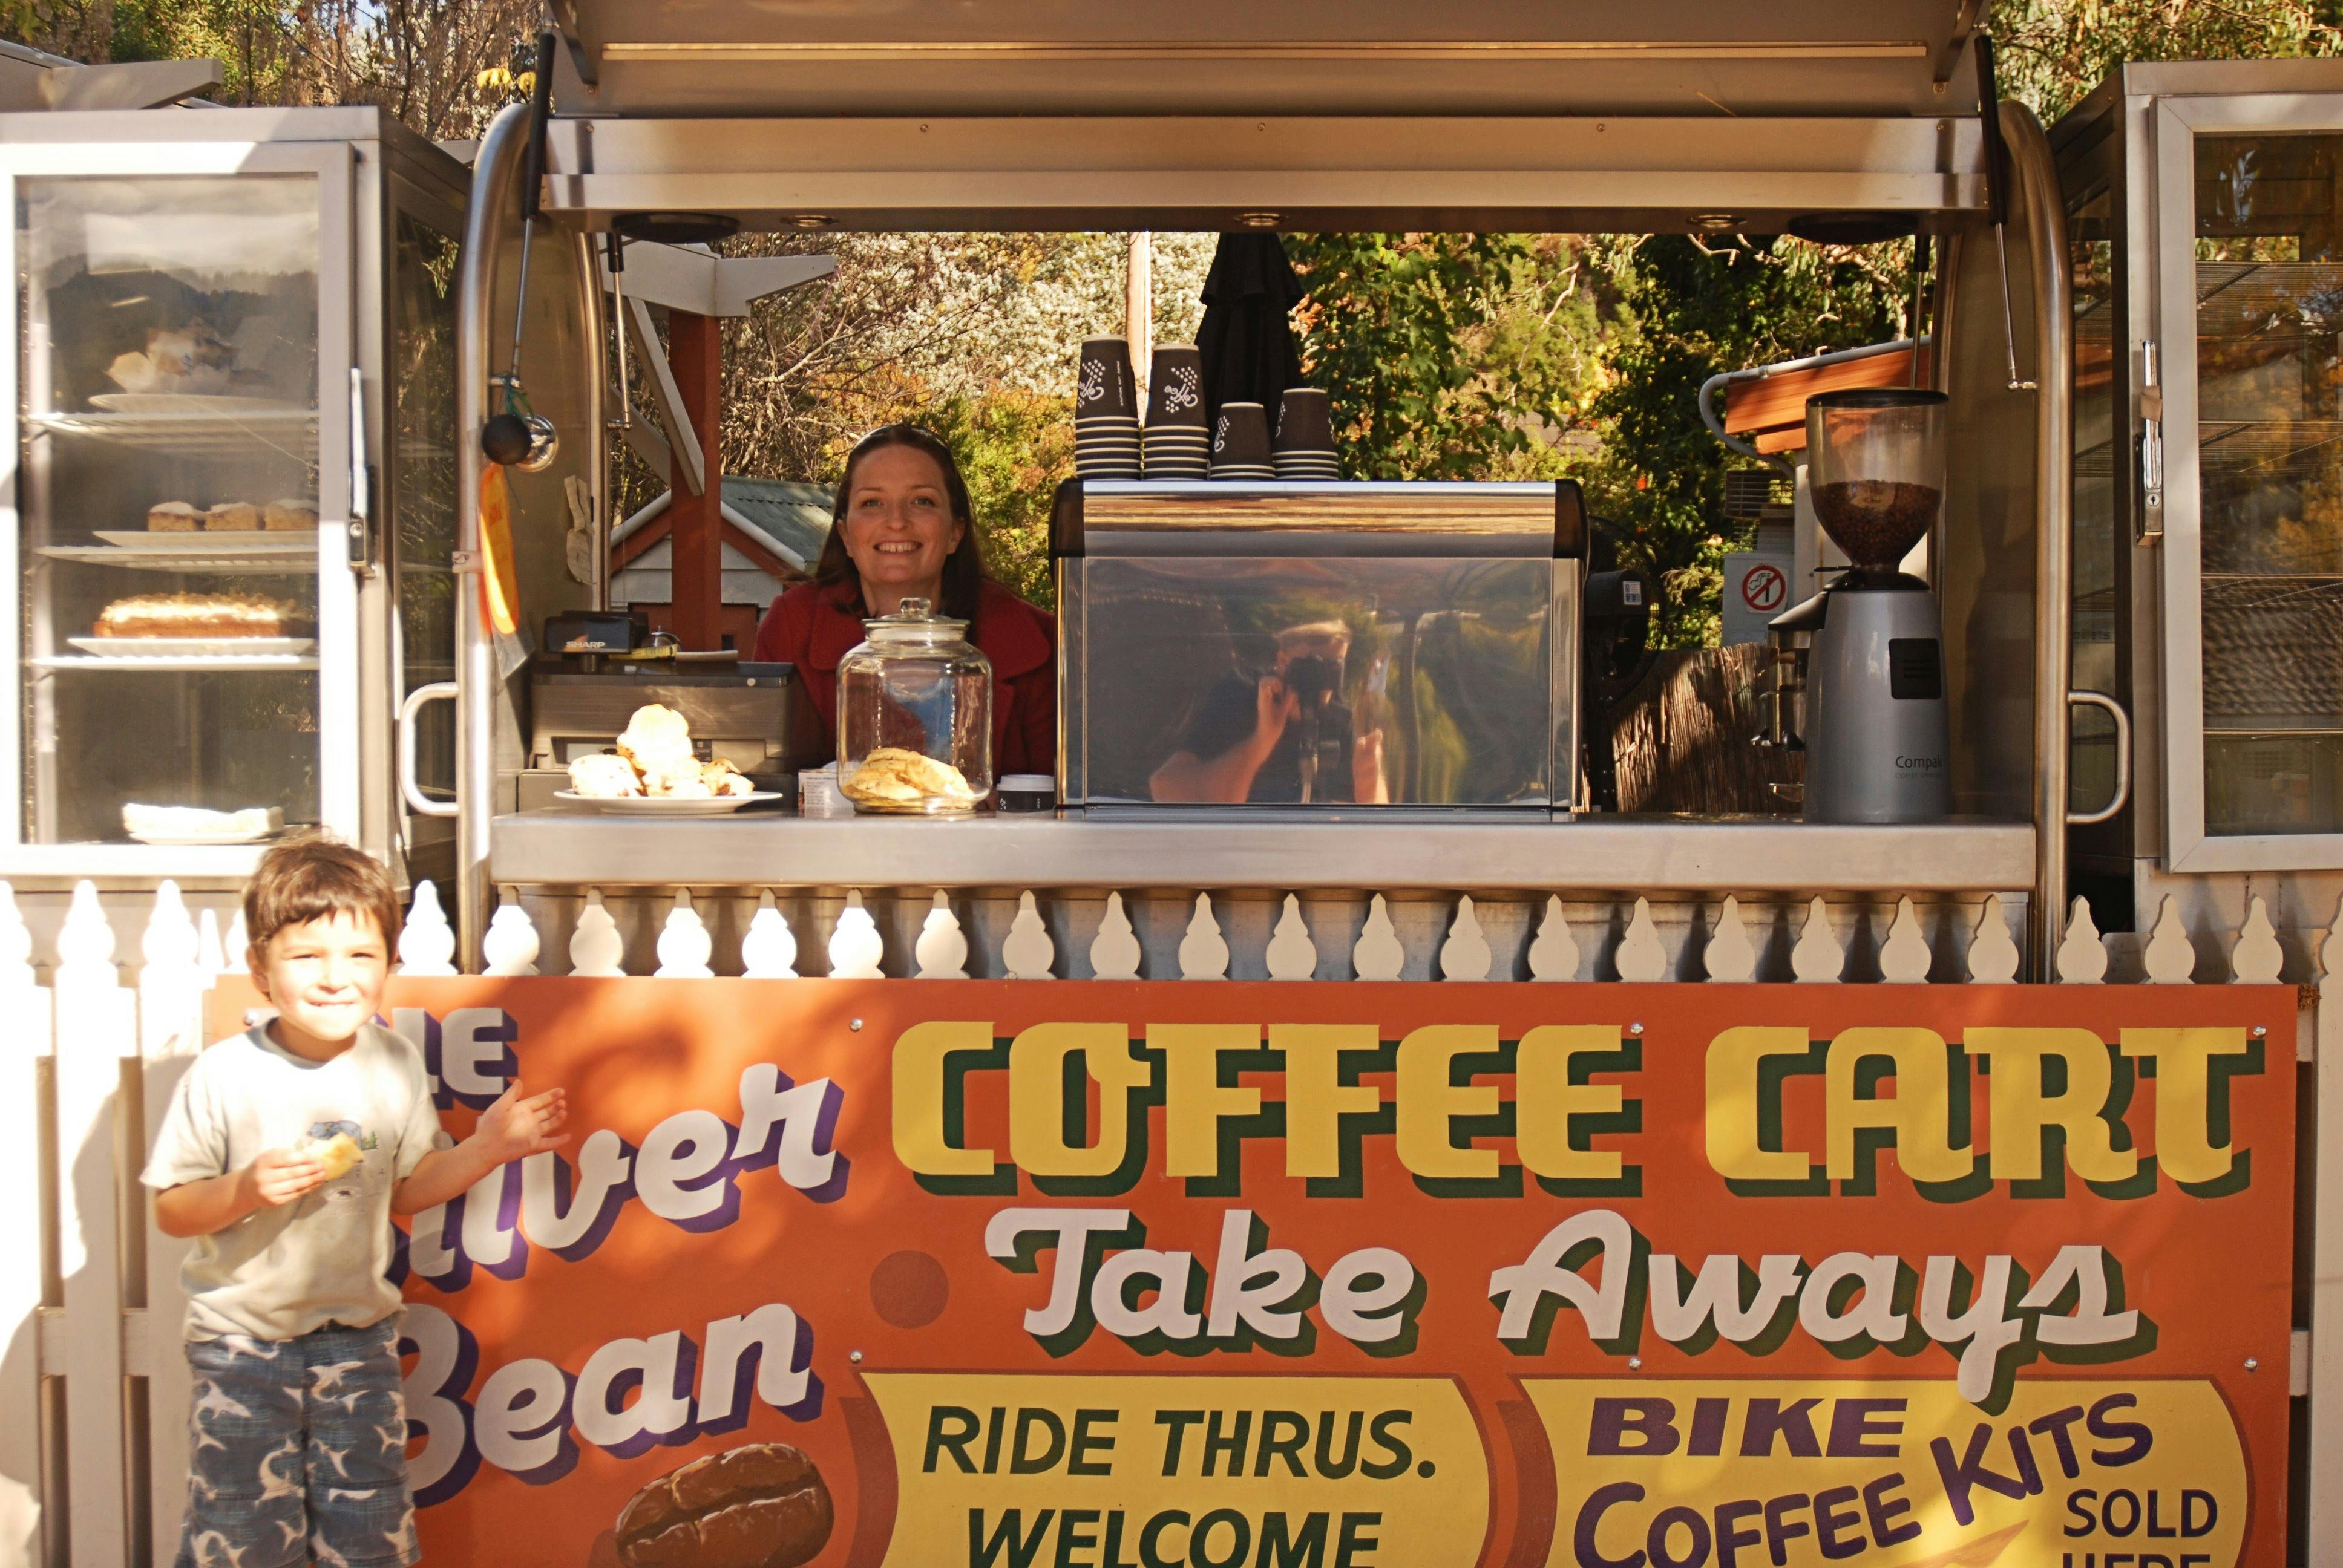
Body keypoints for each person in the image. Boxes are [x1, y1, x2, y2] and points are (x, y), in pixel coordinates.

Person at [144, 835, 569, 1568]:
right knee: (240, 1529)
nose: (335, 978)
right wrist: (244, 1189)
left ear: (390, 965)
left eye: (360, 956)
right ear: (260, 969)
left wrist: (486, 1149)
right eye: (307, 957)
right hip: (243, 1345)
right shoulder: (224, 1076)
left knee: (369, 1526)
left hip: (359, 1340)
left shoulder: (394, 1064)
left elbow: (407, 1189)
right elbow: (173, 1209)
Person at [752, 423, 1057, 774]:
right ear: (846, 536)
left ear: (955, 532)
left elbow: (1059, 808)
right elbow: (768, 790)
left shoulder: (1036, 641)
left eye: (922, 501)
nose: (896, 521)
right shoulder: (792, 628)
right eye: (873, 503)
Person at [1150, 618, 1389, 804]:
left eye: (1331, 670)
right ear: (1283, 663)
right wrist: (1262, 741)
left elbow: (1372, 828)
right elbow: (1165, 788)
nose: (1318, 681)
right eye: (1309, 667)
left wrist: (1370, 785)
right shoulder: (1242, 697)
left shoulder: (1338, 721)